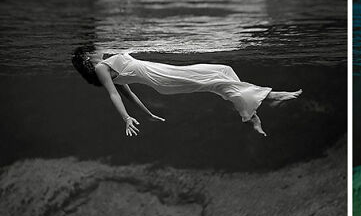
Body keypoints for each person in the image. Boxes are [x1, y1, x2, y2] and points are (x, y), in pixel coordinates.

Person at [71, 45, 301, 137]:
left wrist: (148, 114)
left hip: (163, 74)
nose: (98, 48)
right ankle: (270, 97)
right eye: (92, 50)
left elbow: (130, 94)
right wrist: (126, 117)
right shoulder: (102, 67)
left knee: (223, 70)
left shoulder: (107, 64)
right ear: (88, 59)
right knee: (215, 81)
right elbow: (114, 93)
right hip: (163, 79)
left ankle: (250, 113)